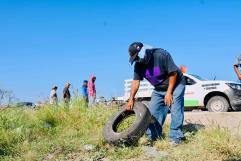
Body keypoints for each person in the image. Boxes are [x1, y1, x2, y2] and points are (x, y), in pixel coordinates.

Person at [126, 42, 186, 146]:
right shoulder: (138, 65)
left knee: (175, 108)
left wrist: (169, 92)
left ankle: (176, 137)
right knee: (153, 112)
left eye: (137, 57)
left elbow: (173, 73)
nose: (136, 60)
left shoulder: (161, 55)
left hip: (176, 84)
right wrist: (131, 98)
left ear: (143, 52)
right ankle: (153, 136)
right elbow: (136, 82)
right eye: (134, 58)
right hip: (159, 88)